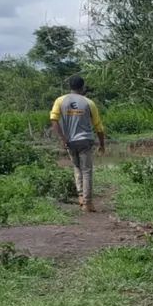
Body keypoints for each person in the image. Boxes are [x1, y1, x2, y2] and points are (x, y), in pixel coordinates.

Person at [49, 75, 107, 212]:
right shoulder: (89, 102)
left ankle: (80, 196)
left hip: (70, 141)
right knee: (86, 171)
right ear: (82, 87)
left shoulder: (60, 100)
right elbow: (98, 126)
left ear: (70, 86)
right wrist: (102, 144)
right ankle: (88, 203)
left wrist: (62, 139)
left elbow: (53, 119)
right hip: (85, 140)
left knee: (76, 168)